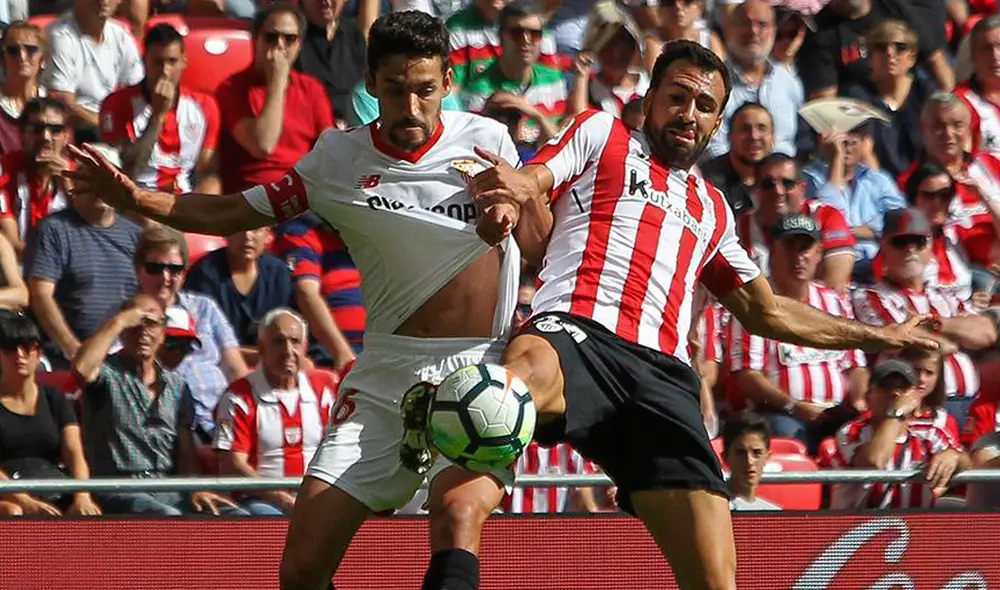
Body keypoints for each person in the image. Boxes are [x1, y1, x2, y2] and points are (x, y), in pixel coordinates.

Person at [449, 40, 937, 589]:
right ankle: (452, 557)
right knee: (506, 393)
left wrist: (878, 336)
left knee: (715, 576)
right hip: (576, 332)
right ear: (651, 97)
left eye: (705, 106)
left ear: (716, 121)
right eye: (677, 97)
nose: (689, 114)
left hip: (662, 375)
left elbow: (769, 313)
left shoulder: (713, 208)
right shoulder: (602, 133)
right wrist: (514, 188)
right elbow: (537, 177)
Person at [66, 11, 523, 590]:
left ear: (449, 81)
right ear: (371, 84)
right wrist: (133, 196)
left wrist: (515, 209)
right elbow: (232, 211)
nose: (410, 108)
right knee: (301, 571)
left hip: (479, 373)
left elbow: (541, 229)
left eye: (425, 91)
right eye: (395, 90)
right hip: (385, 377)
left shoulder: (489, 142)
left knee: (457, 517)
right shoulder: (337, 159)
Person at [71, 294, 243, 516]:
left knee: (235, 517)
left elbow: (186, 452)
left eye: (151, 324)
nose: (143, 332)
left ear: (163, 333)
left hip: (168, 486)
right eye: (135, 324)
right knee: (167, 518)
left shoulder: (177, 386)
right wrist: (119, 321)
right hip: (118, 488)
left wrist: (195, 488)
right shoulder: (107, 374)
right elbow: (81, 368)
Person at [727, 214, 867, 453]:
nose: (798, 257)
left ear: (819, 253)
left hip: (835, 412)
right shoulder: (756, 304)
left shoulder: (834, 301)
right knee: (790, 435)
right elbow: (749, 376)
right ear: (774, 251)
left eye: (805, 248)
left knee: (865, 436)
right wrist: (794, 405)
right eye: (789, 247)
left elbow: (856, 365)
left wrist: (857, 401)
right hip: (781, 413)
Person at [214, 309, 338, 515]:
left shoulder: (322, 392)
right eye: (279, 341)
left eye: (295, 341)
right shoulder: (239, 396)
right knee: (270, 520)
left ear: (305, 347)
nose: (289, 350)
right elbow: (232, 465)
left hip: (313, 497)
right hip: (260, 500)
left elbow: (336, 451)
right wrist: (282, 499)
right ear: (261, 349)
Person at [99, 23, 222, 195]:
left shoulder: (204, 106)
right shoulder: (116, 104)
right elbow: (127, 170)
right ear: (144, 62)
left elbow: (207, 170)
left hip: (184, 201)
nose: (165, 71)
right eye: (157, 62)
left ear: (184, 61)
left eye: (172, 61)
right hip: (135, 199)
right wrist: (157, 116)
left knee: (212, 186)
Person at [829, 359, 968, 509]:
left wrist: (954, 457)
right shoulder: (853, 431)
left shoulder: (931, 431)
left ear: (916, 395)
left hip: (915, 526)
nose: (895, 393)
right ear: (869, 395)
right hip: (860, 525)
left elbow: (967, 462)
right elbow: (875, 462)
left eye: (903, 387)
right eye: (886, 387)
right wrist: (896, 413)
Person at [0, 312, 101, 516]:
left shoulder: (54, 397)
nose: (20, 354)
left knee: (87, 511)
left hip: (52, 485)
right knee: (13, 512)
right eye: (11, 348)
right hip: (7, 493)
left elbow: (74, 452)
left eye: (27, 347)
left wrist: (82, 496)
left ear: (38, 354)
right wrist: (25, 501)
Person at [184, 227, 293, 358]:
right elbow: (203, 342)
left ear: (268, 235)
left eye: (255, 229)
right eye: (240, 228)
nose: (247, 236)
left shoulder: (278, 272)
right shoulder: (204, 274)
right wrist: (260, 356)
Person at [0, 97, 74, 256]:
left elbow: (90, 230)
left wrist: (67, 182)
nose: (46, 137)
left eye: (55, 130)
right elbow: (11, 242)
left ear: (66, 136)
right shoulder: (4, 170)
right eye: (37, 128)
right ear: (21, 134)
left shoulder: (77, 175)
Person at [0, 21, 46, 155]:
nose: (22, 56)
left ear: (43, 59)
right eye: (13, 50)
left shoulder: (55, 106)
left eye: (31, 49)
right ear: (2, 60)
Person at [722, 412, 780, 511]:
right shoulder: (713, 509)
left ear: (767, 457)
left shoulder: (773, 514)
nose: (749, 461)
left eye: (757, 453)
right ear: (726, 457)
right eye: (741, 453)